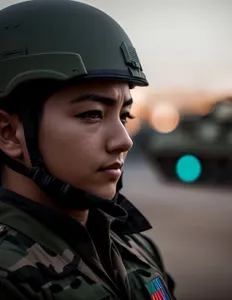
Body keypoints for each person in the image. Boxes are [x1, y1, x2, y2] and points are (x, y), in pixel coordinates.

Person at [0, 1, 176, 299]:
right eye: (92, 114)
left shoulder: (135, 247)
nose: (124, 141)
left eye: (125, 116)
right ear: (9, 135)